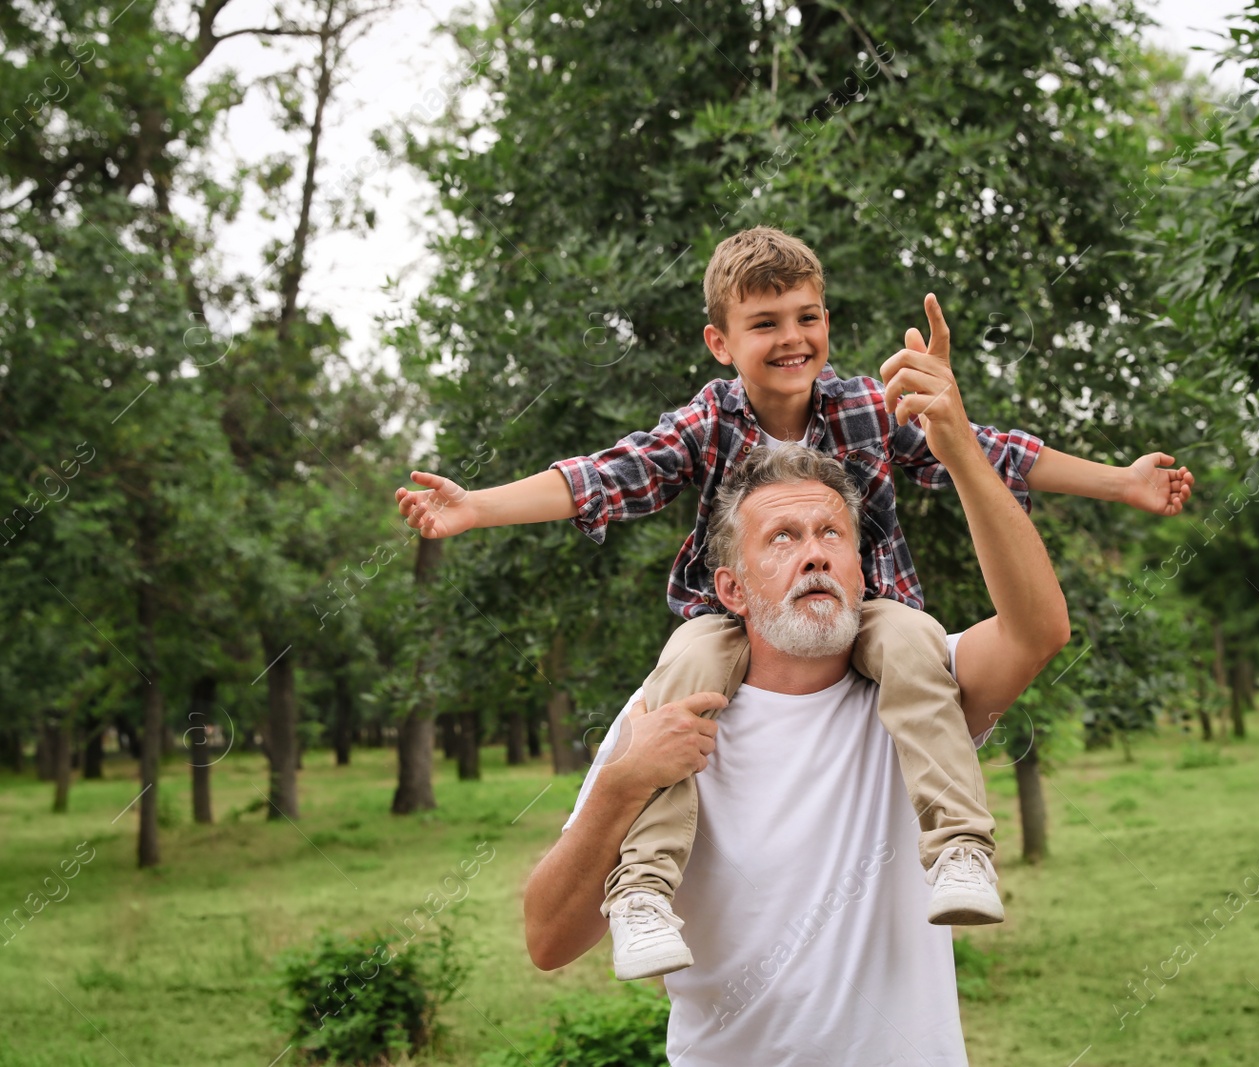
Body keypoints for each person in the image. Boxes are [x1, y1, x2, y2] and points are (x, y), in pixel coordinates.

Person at [395, 227, 1193, 980]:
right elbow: (606, 474)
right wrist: (479, 506)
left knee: (914, 640)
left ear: (828, 323)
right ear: (721, 342)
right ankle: (641, 888)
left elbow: (991, 452)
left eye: (807, 317)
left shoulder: (865, 409)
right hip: (732, 621)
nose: (791, 338)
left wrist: (1119, 480)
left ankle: (958, 845)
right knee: (685, 668)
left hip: (865, 610)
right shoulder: (708, 421)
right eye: (764, 322)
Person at [522, 429, 1071, 1065]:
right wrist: (623, 782)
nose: (814, 555)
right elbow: (548, 941)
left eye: (830, 534)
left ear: (860, 572)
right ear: (730, 590)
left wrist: (959, 451)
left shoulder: (921, 679)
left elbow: (1040, 630)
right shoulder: (665, 712)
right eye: (783, 538)